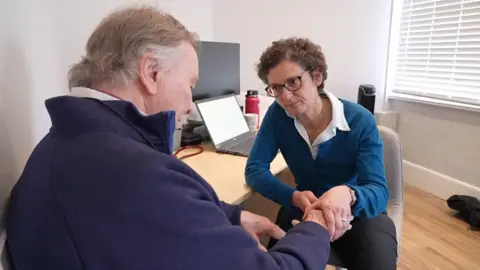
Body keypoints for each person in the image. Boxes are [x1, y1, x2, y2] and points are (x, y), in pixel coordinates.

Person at [6, 7, 334, 270]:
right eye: (190, 85)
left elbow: (170, 208)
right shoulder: (133, 174)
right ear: (151, 73)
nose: (190, 104)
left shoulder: (67, 146)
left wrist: (234, 215)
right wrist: (315, 228)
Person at [245, 37, 398, 270]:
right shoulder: (277, 115)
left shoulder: (359, 120)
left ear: (316, 77)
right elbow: (255, 170)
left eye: (293, 82)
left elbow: (378, 192)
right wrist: (293, 196)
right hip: (305, 209)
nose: (285, 96)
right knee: (276, 264)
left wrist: (348, 193)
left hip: (358, 214)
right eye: (275, 87)